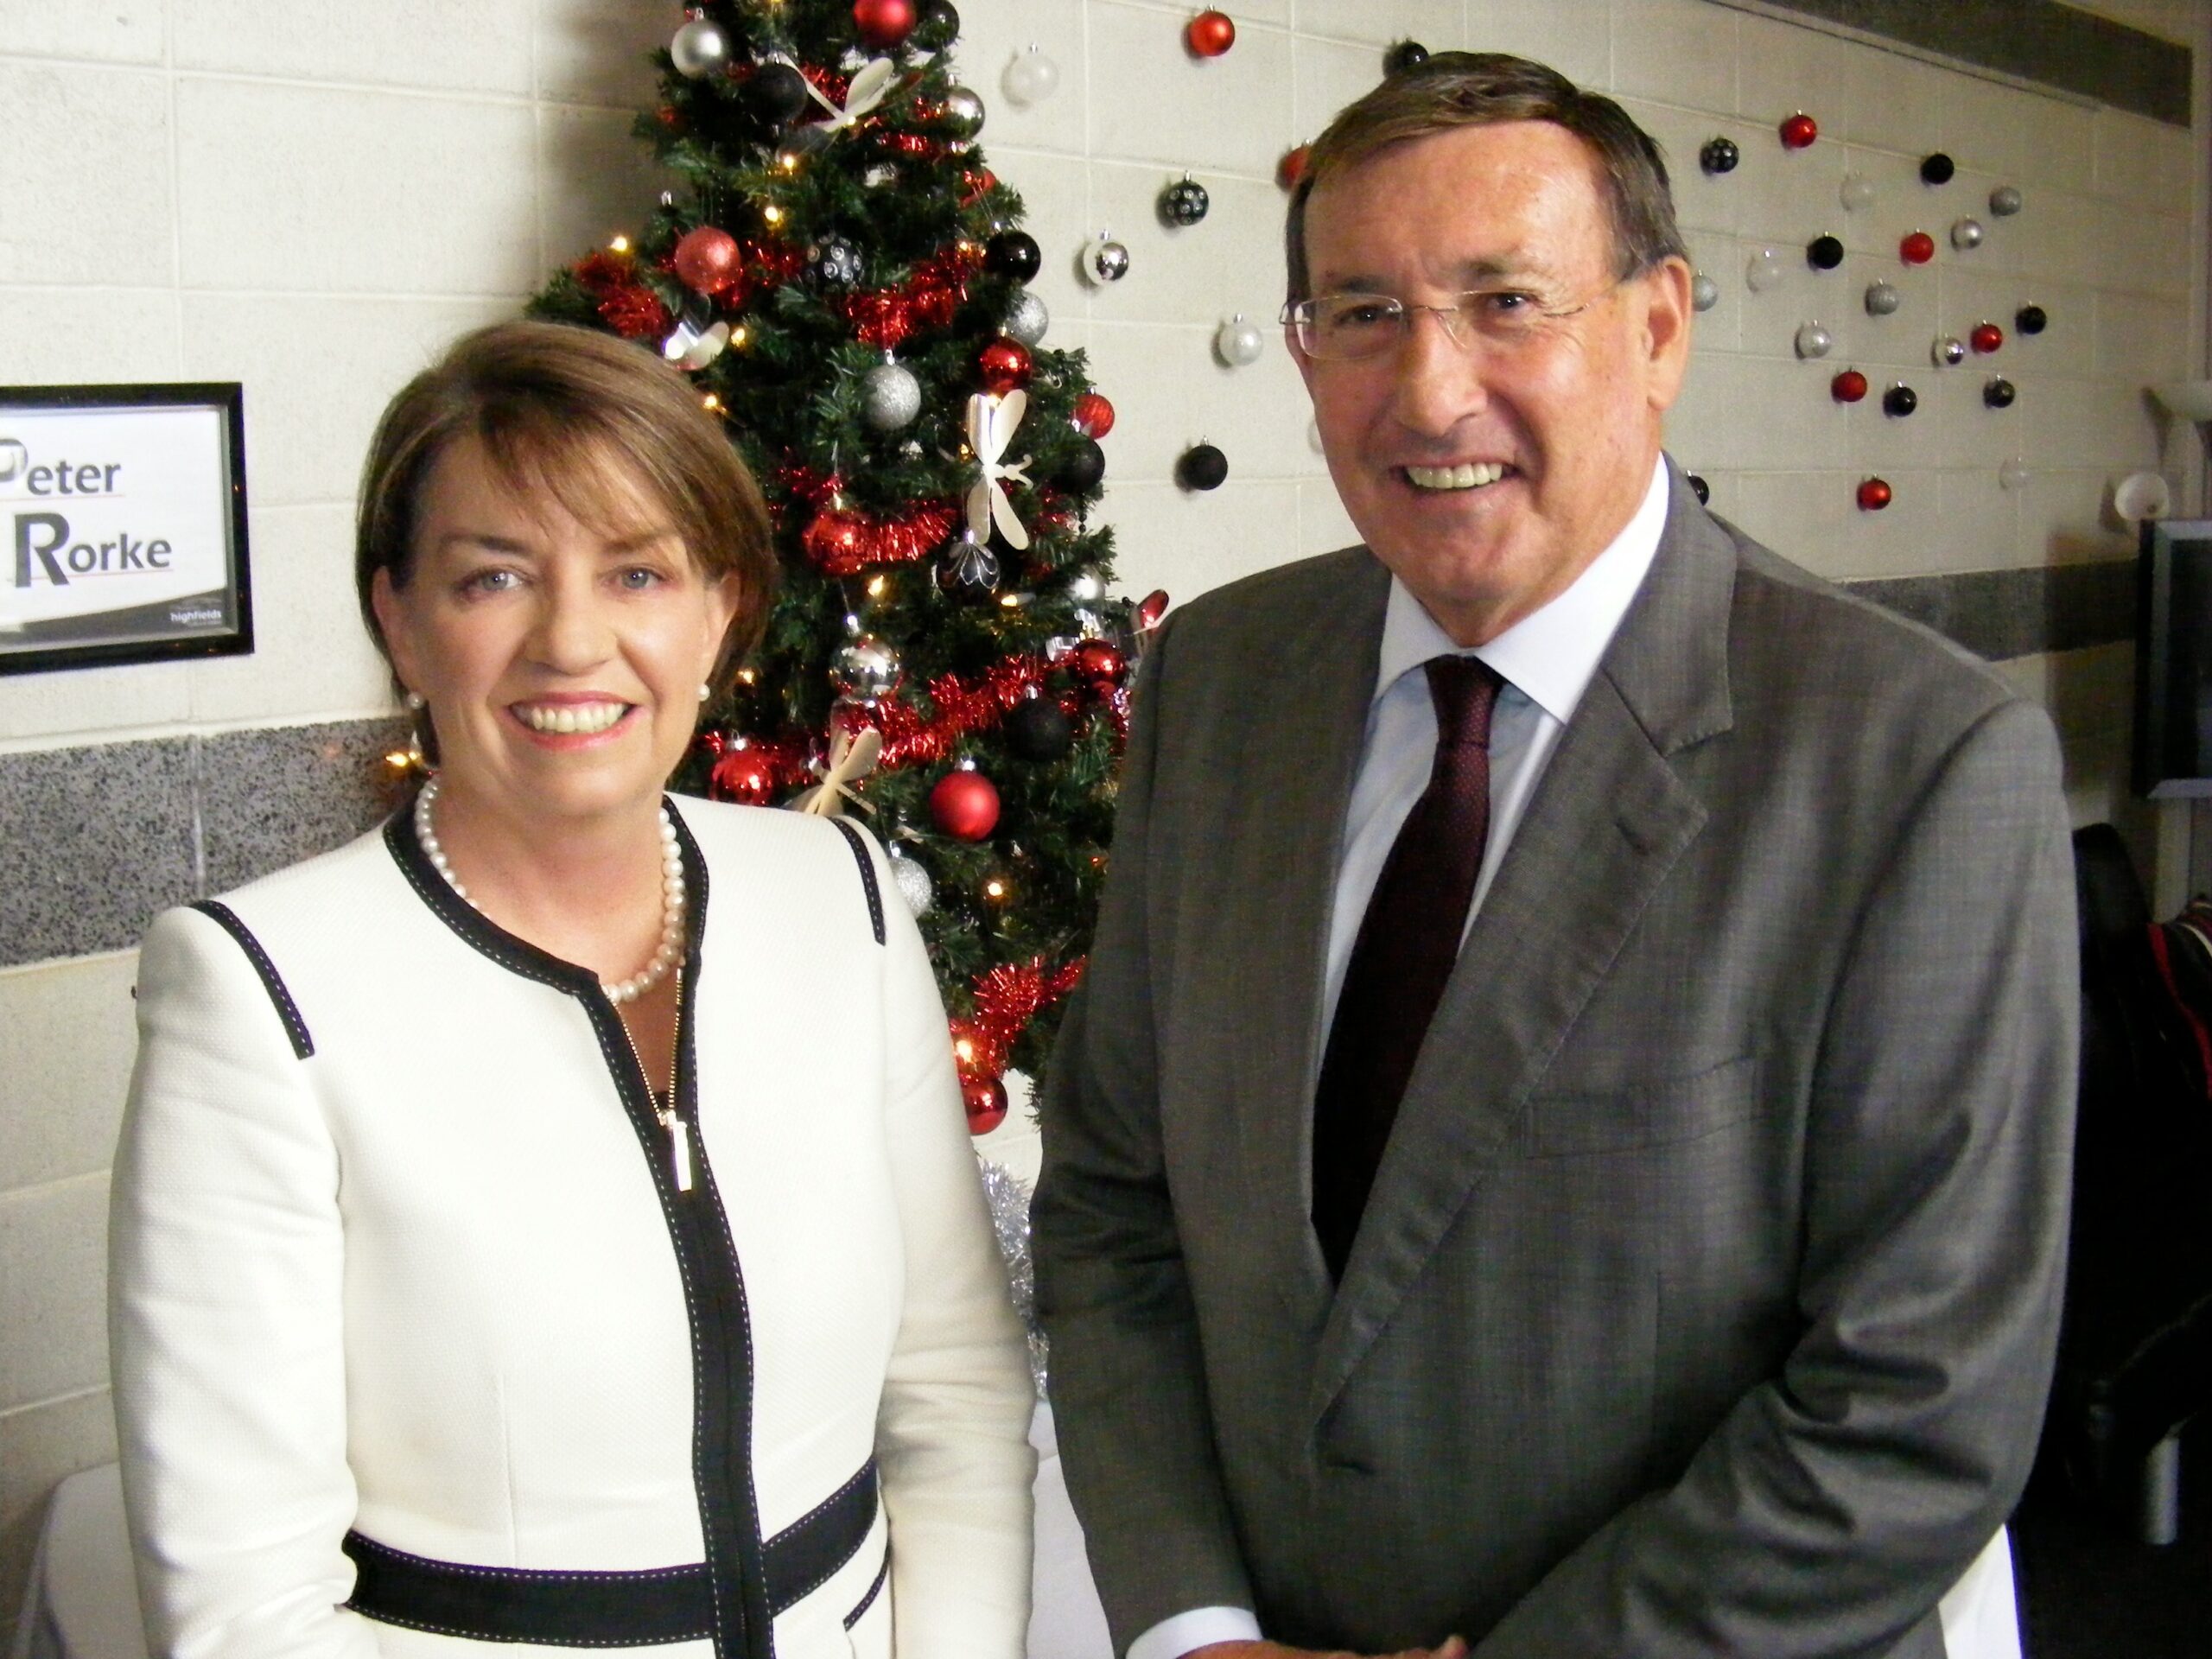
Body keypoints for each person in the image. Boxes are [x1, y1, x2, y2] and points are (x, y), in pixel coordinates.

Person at [1033, 53, 2075, 1659]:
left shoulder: (1915, 760)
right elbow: (1115, 1203)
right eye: (1363, 313)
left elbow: (1917, 1405)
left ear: (1656, 330)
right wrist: (1196, 1628)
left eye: (1506, 302)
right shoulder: (1218, 682)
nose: (1430, 391)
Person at [109, 320, 1036, 1659]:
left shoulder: (837, 895)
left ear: (717, 611)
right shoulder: (259, 991)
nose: (572, 641)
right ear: (400, 622)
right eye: (493, 578)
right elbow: (243, 1611)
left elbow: (955, 1389)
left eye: (638, 572)